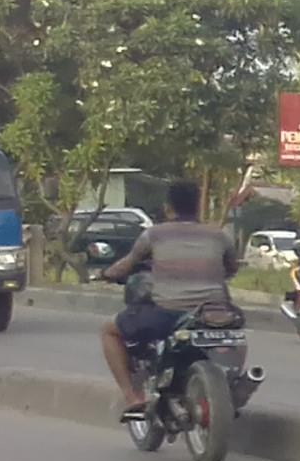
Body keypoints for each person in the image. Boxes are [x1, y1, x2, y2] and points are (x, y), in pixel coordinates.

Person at [99, 179, 238, 417]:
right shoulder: (219, 235)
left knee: (109, 331)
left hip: (168, 313)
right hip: (215, 313)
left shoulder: (154, 235)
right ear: (198, 206)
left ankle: (132, 398)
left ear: (168, 207)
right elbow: (231, 268)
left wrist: (106, 273)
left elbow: (127, 264)